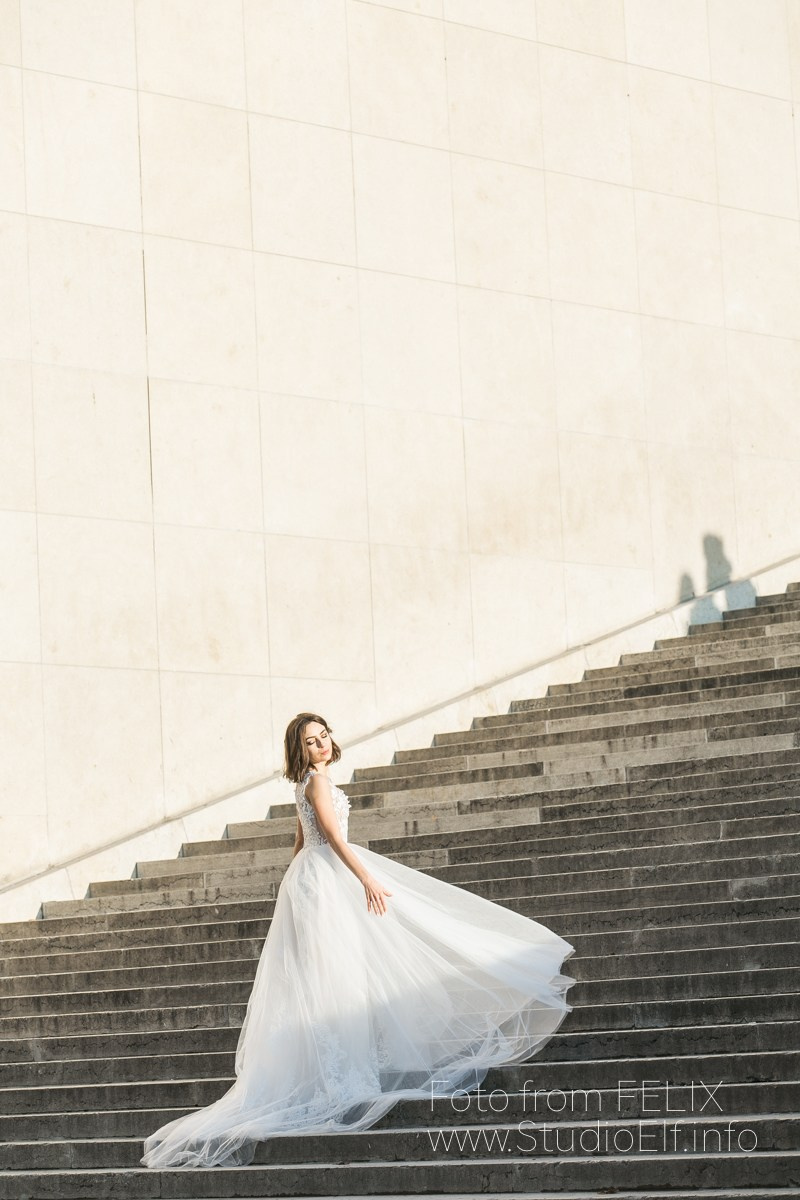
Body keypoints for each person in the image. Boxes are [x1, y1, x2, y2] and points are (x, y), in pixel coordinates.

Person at [141, 711, 576, 1169]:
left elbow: (300, 842)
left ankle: (340, 1071)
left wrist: (293, 887)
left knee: (335, 973)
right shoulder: (315, 783)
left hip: (314, 878)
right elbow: (330, 836)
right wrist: (365, 878)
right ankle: (341, 1076)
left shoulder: (308, 783)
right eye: (311, 741)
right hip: (324, 879)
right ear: (299, 749)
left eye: (324, 736)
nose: (321, 744)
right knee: (337, 972)